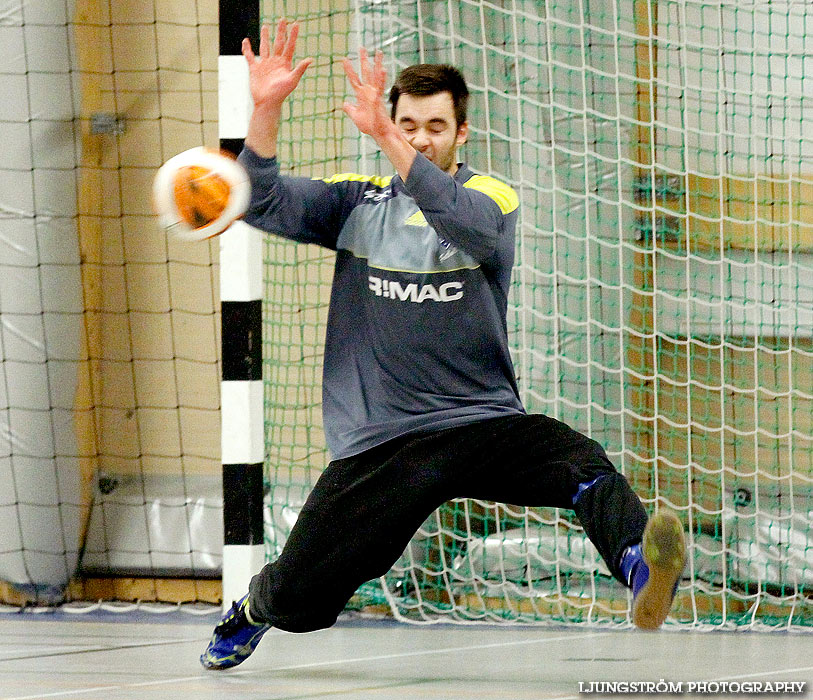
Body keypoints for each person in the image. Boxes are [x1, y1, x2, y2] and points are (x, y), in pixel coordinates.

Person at [201, 19, 686, 670]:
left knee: (582, 463)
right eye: (407, 126)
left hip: (480, 425)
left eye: (435, 127)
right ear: (392, 126)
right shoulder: (356, 206)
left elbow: (464, 224)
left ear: (461, 133)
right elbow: (257, 203)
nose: (421, 139)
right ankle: (255, 608)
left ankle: (638, 569)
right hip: (382, 443)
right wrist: (264, 109)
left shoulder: (490, 197)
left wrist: (386, 142)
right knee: (305, 601)